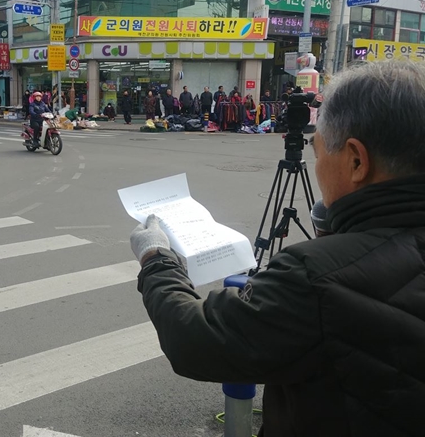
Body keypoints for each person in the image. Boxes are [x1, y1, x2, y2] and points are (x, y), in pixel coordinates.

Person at [129, 59, 425, 437]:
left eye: (318, 153)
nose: (316, 169)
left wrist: (156, 259)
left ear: (356, 160)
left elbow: (195, 340)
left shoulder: (315, 277)